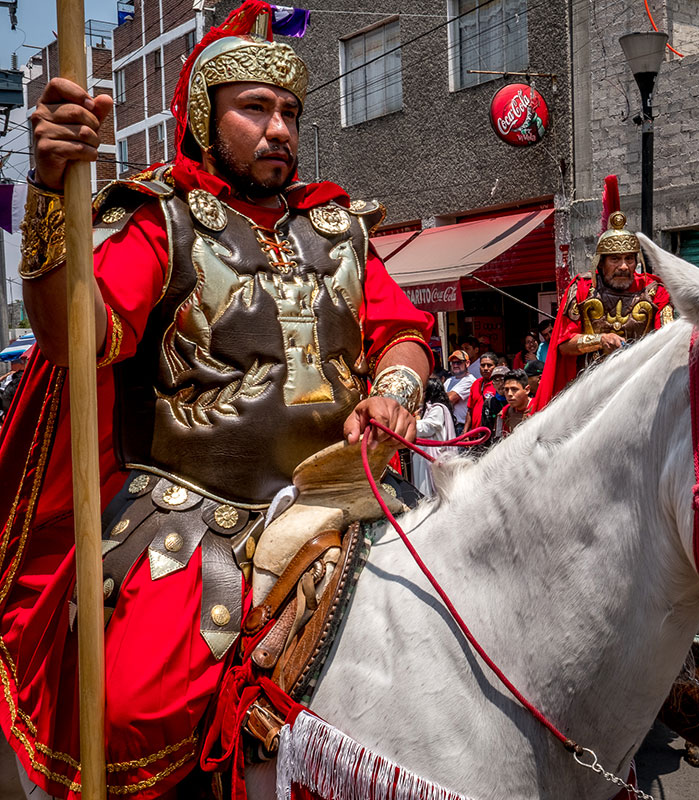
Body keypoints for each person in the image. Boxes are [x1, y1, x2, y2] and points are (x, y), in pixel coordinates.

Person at [0, 3, 434, 795]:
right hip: (195, 513)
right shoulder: (159, 221)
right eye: (255, 109)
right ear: (206, 117)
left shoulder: (336, 225)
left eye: (290, 113)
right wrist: (48, 192)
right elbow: (77, 335)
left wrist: (397, 389)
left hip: (344, 495)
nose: (279, 130)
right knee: (133, 707)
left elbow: (400, 332)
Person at [531, 206, 674, 411]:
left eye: (629, 259)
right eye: (615, 259)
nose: (624, 266)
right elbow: (564, 344)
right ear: (601, 262)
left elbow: (668, 339)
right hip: (589, 393)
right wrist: (600, 340)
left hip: (641, 390)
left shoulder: (656, 292)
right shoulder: (581, 289)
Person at [412, 377, 455, 498]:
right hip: (422, 455)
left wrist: (411, 423)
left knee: (430, 492)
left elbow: (428, 427)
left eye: (423, 391)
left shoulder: (437, 409)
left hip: (430, 456)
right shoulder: (426, 409)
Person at [444, 349, 476, 435]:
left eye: (459, 362)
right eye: (453, 363)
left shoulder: (469, 380)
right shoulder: (449, 380)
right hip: (448, 425)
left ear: (467, 363)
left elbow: (450, 399)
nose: (455, 365)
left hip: (460, 427)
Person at [466, 351, 499, 430]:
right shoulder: (476, 384)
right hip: (475, 434)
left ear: (496, 367)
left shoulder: (500, 385)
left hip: (491, 433)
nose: (485, 368)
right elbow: (469, 410)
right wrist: (465, 433)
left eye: (489, 365)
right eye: (483, 365)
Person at [497, 369, 532, 437]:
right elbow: (500, 439)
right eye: (506, 390)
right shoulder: (505, 413)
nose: (509, 394)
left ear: (527, 390)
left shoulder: (540, 408)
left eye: (514, 389)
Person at [0, 351, 28, 421]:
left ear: (22, 363)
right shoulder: (10, 376)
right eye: (12, 363)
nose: (12, 365)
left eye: (14, 363)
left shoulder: (24, 376)